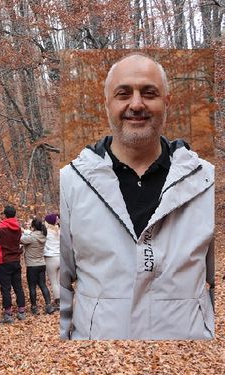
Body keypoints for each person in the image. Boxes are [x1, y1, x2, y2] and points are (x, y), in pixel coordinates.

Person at [60, 53, 215, 340]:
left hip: (185, 359)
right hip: (101, 360)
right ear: (107, 103)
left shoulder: (206, 181)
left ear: (166, 102)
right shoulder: (71, 182)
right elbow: (62, 282)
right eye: (123, 94)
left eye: (149, 93)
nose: (136, 104)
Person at [0, 205, 26, 323]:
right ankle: (21, 311)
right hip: (16, 260)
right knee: (18, 286)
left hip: (3, 261)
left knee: (5, 288)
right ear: (14, 214)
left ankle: (8, 314)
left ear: (5, 214)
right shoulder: (18, 227)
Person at [20, 218, 55, 315]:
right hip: (41, 264)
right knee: (43, 285)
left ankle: (34, 307)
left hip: (32, 266)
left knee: (32, 287)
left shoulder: (31, 237)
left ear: (33, 226)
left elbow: (20, 240)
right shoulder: (43, 235)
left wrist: (23, 231)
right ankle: (49, 306)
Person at [43, 213, 60, 310]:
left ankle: (58, 302)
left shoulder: (46, 233)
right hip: (59, 257)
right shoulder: (59, 231)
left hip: (50, 258)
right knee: (58, 281)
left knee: (54, 282)